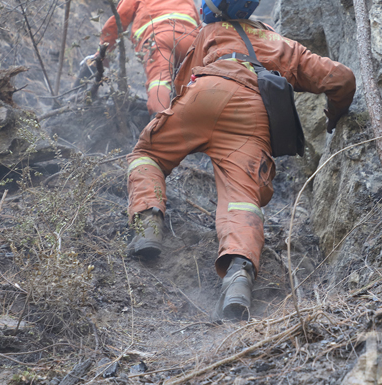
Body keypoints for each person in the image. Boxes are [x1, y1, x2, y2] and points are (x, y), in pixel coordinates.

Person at [125, 17, 356, 320]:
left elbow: (182, 84)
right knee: (242, 200)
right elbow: (342, 78)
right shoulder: (281, 44)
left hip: (205, 93)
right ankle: (238, 278)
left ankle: (148, 223)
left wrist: (188, 125)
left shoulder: (211, 31)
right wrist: (334, 115)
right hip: (251, 115)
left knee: (148, 154)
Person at [98, 0, 200, 115]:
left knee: (159, 82)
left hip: (159, 39)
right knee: (192, 87)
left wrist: (103, 50)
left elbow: (118, 20)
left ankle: (161, 126)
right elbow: (198, 22)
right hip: (191, 41)